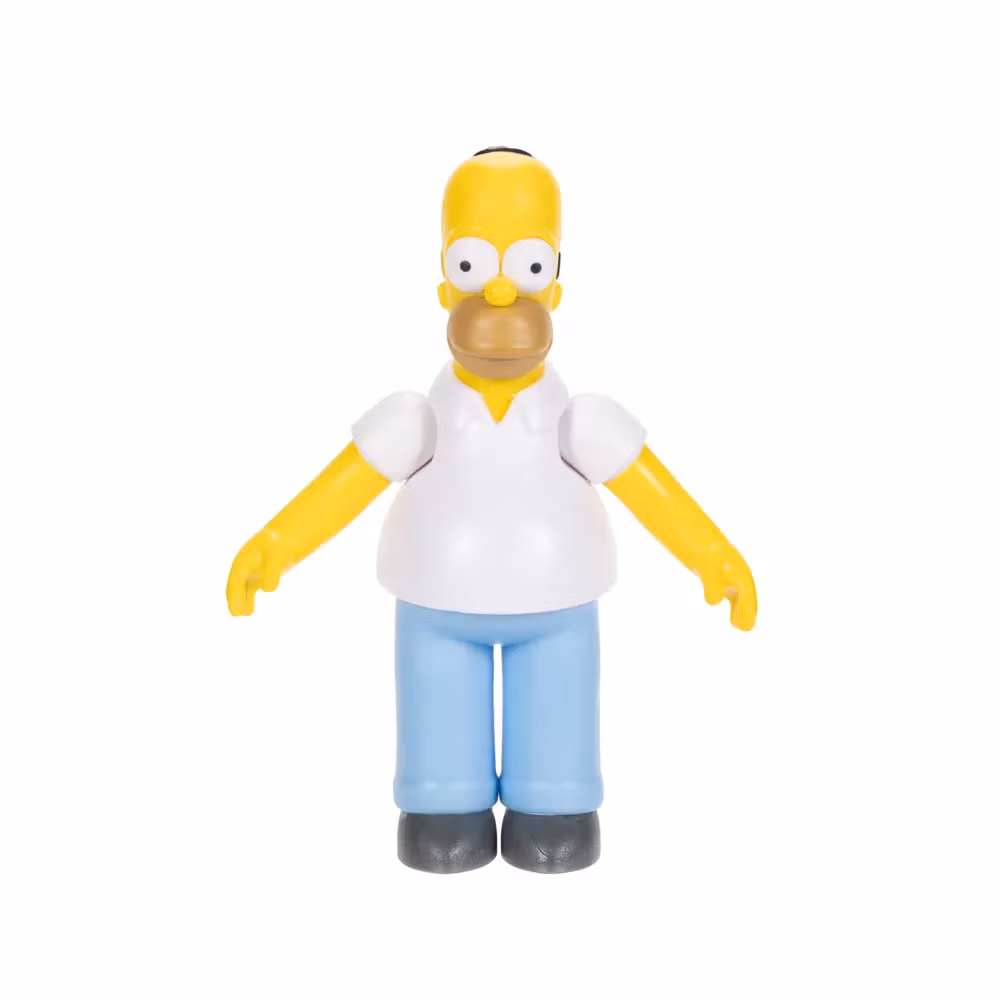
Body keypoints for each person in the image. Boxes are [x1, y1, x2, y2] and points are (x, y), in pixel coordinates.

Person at [226, 147, 757, 874]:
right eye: (474, 265)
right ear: (445, 282)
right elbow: (348, 481)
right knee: (437, 705)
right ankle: (443, 804)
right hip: (436, 606)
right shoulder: (417, 418)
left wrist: (712, 555)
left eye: (527, 266)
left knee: (559, 704)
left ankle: (555, 803)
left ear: (556, 284)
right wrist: (277, 544)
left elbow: (646, 484)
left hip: (558, 605)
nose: (501, 293)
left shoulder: (580, 419)